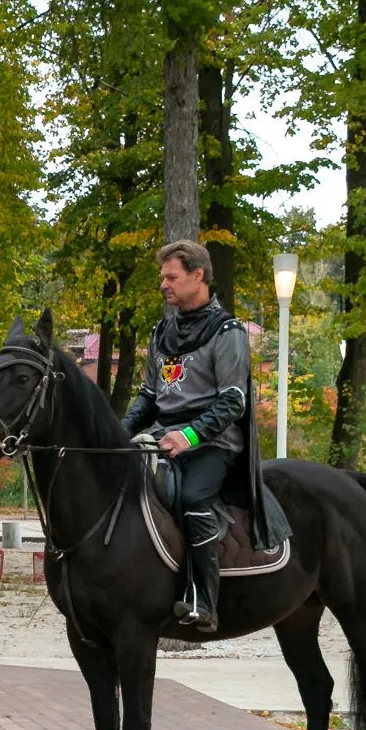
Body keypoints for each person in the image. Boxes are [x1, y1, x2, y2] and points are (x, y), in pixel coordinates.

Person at [122, 240, 287, 632]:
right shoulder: (161, 331)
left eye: (171, 276)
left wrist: (190, 437)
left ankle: (204, 599)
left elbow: (234, 400)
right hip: (162, 438)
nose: (164, 284)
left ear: (198, 275)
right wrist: (117, 433)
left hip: (213, 442)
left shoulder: (228, 332)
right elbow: (148, 397)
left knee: (195, 497)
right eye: (162, 277)